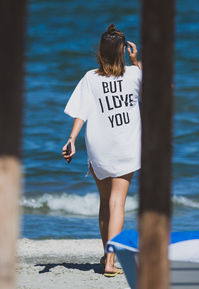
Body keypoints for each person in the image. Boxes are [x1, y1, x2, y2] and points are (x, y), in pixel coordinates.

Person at [62, 24, 142, 277]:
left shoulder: (90, 77)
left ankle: (107, 254)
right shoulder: (134, 75)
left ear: (100, 52)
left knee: (105, 203)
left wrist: (72, 139)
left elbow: (80, 113)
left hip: (99, 146)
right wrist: (137, 61)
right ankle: (110, 262)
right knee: (117, 202)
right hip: (126, 146)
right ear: (122, 51)